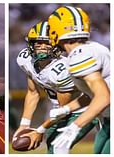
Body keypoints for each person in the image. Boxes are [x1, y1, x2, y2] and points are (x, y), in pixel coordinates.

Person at [13, 21, 96, 154]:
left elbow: (64, 110)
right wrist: (24, 124)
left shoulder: (62, 70)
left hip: (83, 108)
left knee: (57, 146)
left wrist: (39, 130)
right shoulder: (26, 60)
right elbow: (33, 92)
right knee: (54, 145)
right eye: (38, 43)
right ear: (30, 44)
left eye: (47, 43)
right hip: (62, 111)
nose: (42, 47)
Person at [48, 6, 110, 154]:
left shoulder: (79, 56)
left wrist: (75, 126)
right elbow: (96, 93)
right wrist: (66, 109)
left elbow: (104, 97)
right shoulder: (93, 47)